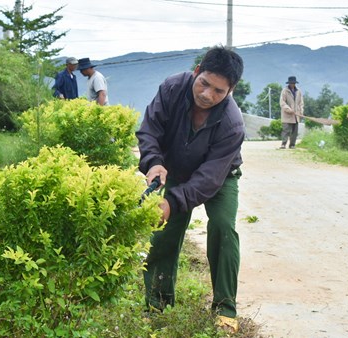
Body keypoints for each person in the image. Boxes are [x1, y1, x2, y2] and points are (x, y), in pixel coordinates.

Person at [136, 46, 244, 333]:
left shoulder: (233, 124)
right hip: (173, 169)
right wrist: (154, 163)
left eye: (219, 91)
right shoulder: (172, 88)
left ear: (230, 90)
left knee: (222, 227)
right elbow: (149, 131)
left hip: (220, 176)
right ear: (196, 71)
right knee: (164, 231)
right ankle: (157, 304)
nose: (207, 94)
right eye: (204, 83)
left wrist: (173, 200)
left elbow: (209, 179)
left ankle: (225, 309)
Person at [279, 76, 304, 149]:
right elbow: (282, 102)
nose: (292, 84)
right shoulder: (285, 91)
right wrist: (289, 109)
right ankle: (283, 144)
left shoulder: (298, 91)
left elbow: (301, 103)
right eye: (291, 83)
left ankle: (292, 144)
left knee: (294, 131)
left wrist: (301, 111)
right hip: (287, 114)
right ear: (289, 83)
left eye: (293, 83)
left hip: (296, 115)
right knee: (286, 130)